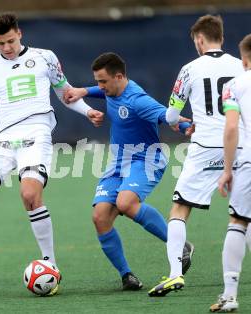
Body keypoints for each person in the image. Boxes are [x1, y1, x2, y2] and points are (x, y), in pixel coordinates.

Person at [0, 13, 103, 296]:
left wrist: (87, 110)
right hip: (3, 139)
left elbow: (66, 93)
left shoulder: (45, 57)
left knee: (29, 195)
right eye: (0, 43)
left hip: (36, 133)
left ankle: (51, 266)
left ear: (20, 33)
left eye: (11, 41)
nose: (6, 47)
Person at [63, 53, 193, 291]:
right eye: (97, 81)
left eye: (103, 82)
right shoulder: (113, 89)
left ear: (119, 77)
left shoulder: (137, 100)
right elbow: (102, 91)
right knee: (100, 217)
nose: (100, 87)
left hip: (146, 159)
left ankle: (180, 245)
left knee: (125, 202)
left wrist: (186, 126)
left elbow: (166, 115)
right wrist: (84, 91)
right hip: (119, 162)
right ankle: (127, 275)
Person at [148, 15, 246, 297]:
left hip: (204, 148)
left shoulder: (189, 69)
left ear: (199, 40)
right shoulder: (241, 66)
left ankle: (175, 274)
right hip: (239, 145)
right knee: (244, 215)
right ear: (222, 38)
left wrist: (185, 123)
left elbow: (170, 115)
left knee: (179, 210)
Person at [208, 33, 251, 313]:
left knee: (238, 220)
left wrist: (226, 170)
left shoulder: (235, 85)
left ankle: (230, 295)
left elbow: (232, 128)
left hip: (249, 160)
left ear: (245, 59)